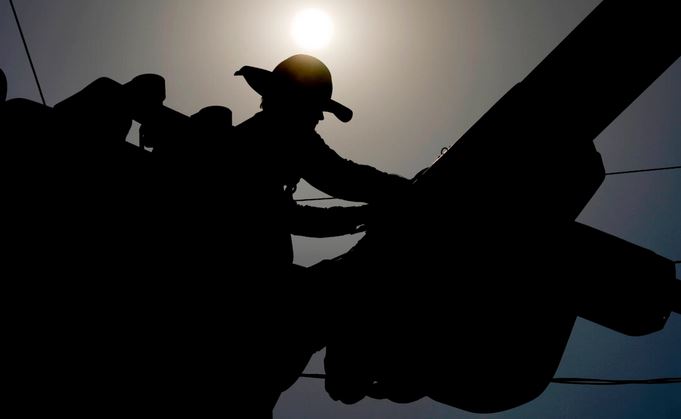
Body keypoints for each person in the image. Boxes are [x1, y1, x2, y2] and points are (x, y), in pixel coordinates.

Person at [229, 54, 410, 415]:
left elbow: (331, 186)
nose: (316, 120)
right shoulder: (282, 133)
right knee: (339, 292)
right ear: (294, 104)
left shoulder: (267, 133)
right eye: (315, 111)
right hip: (245, 281)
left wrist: (380, 205)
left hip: (254, 277)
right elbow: (340, 179)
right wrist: (402, 196)